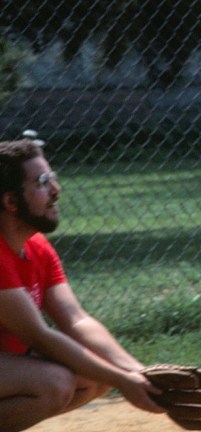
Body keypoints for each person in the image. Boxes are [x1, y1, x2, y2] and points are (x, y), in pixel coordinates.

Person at [0, 139, 166, 431]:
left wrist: (138, 371)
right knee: (54, 383)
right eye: (42, 182)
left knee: (94, 375)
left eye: (52, 178)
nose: (56, 190)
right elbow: (40, 336)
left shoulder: (36, 247)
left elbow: (76, 319)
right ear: (11, 202)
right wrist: (123, 381)